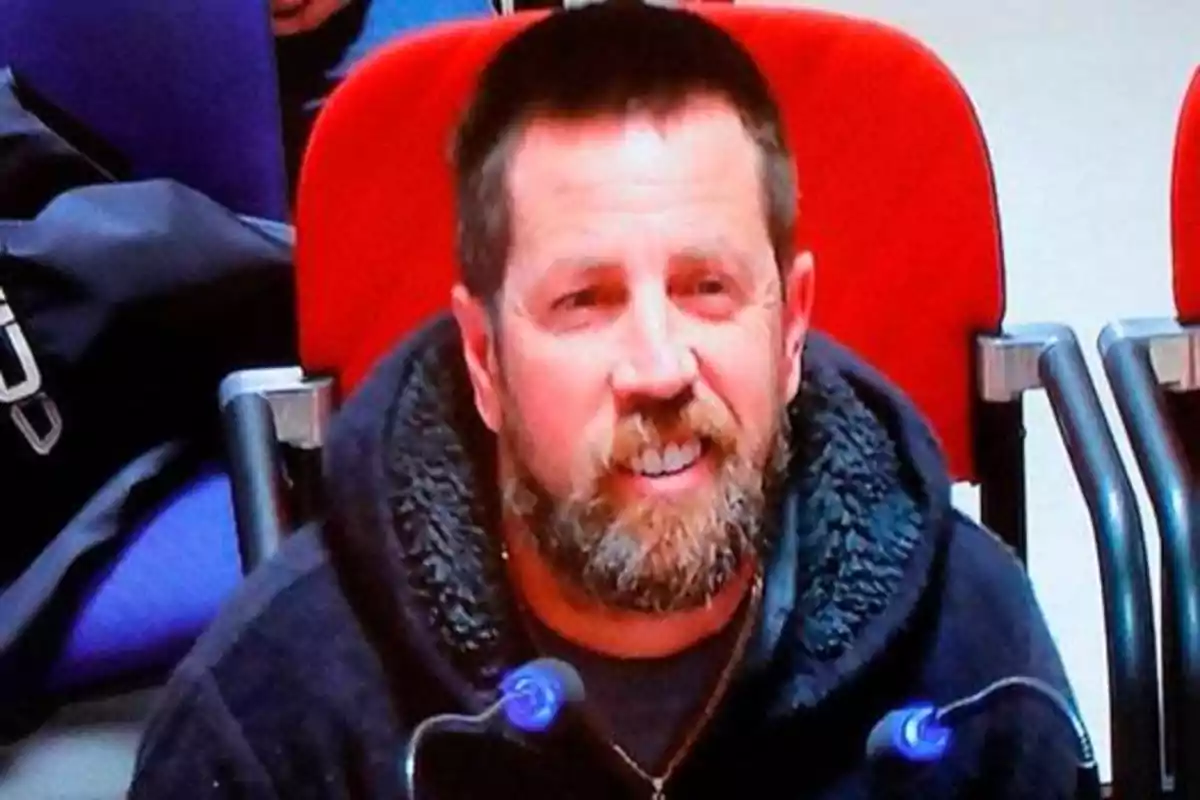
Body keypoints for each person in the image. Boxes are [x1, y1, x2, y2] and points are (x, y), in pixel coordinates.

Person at [129, 2, 1085, 797]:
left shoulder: (976, 660)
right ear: (485, 358)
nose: (659, 366)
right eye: (583, 302)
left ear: (790, 328)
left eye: (707, 287)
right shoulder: (271, 719)